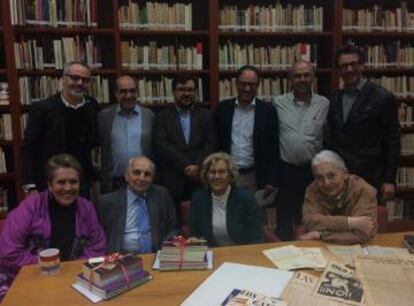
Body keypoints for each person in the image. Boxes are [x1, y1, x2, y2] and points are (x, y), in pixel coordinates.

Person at [0, 154, 106, 278]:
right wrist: (50, 267)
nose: (68, 188)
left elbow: (97, 247)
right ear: (50, 185)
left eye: (73, 182)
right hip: (30, 276)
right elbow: (9, 253)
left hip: (75, 275)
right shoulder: (30, 207)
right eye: (61, 182)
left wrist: (73, 271)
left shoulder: (87, 208)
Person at [326, 45, 400, 202]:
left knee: (367, 224)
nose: (349, 69)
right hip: (340, 176)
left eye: (354, 64)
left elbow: (392, 141)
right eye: (344, 66)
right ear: (338, 70)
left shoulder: (382, 98)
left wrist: (389, 180)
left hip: (370, 176)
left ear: (362, 65)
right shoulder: (334, 98)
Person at [21, 61, 99, 197]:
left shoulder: (92, 106)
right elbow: (29, 148)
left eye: (85, 80)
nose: (80, 83)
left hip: (80, 183)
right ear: (63, 80)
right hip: (50, 182)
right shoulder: (43, 109)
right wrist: (30, 186)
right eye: (75, 78)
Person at [272, 60, 329, 241]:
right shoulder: (278, 103)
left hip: (313, 172)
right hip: (286, 171)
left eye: (306, 75)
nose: (302, 79)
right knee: (284, 219)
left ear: (313, 77)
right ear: (290, 79)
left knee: (310, 217)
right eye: (297, 76)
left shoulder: (324, 104)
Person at [153, 74, 216, 223]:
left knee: (199, 224)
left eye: (190, 89)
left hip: (199, 181)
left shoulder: (207, 115)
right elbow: (161, 145)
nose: (186, 93)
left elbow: (211, 144)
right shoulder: (162, 117)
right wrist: (187, 166)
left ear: (195, 92)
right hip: (171, 181)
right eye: (181, 89)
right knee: (173, 225)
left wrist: (198, 166)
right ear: (174, 92)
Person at [214, 65, 279, 194]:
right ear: (236, 84)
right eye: (243, 84)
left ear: (258, 85)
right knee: (227, 213)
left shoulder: (268, 111)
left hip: (255, 176)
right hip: (227, 174)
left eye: (252, 84)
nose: (247, 88)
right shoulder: (222, 109)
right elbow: (215, 142)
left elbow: (273, 148)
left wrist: (271, 180)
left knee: (254, 213)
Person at [97, 156, 177, 254]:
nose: (142, 178)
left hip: (155, 256)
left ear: (153, 178)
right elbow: (98, 237)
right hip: (120, 259)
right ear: (126, 176)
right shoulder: (107, 202)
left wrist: (166, 253)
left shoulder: (162, 195)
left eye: (147, 174)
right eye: (136, 173)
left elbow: (173, 228)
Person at [300, 150, 377, 244]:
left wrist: (321, 234)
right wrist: (350, 223)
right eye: (320, 178)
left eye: (331, 176)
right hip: (321, 247)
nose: (326, 183)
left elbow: (362, 234)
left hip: (359, 248)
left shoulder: (363, 190)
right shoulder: (312, 189)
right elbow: (310, 221)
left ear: (345, 173)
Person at [190, 152, 264, 246]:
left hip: (242, 253)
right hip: (212, 254)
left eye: (221, 172)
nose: (216, 176)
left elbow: (256, 238)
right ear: (206, 175)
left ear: (230, 175)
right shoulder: (198, 199)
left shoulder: (246, 199)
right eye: (212, 172)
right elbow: (195, 236)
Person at [98, 75, 154, 193]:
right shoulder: (104, 116)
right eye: (123, 91)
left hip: (142, 180)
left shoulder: (149, 116)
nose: (128, 95)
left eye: (132, 91)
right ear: (116, 94)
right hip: (114, 182)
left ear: (137, 92)